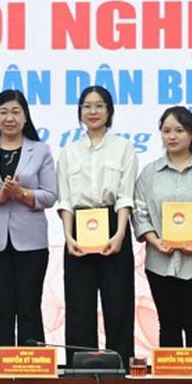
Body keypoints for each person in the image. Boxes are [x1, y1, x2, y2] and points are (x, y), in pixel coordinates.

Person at [0, 89, 58, 364]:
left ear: (25, 117)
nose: (10, 118)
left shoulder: (40, 150)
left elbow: (50, 195)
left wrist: (22, 194)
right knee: (1, 310)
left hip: (32, 243)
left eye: (16, 112)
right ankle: (0, 372)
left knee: (29, 308)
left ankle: (33, 371)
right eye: (3, 112)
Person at [132, 106, 192, 348]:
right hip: (160, 261)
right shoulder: (149, 172)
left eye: (179, 130)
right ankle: (171, 374)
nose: (172, 136)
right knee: (168, 323)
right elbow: (140, 210)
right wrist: (154, 241)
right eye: (166, 131)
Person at [55, 86, 137, 358]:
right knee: (79, 305)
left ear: (109, 111)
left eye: (99, 105)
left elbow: (125, 196)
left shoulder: (123, 148)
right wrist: (68, 237)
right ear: (80, 112)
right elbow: (66, 200)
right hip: (79, 228)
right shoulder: (69, 152)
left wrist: (120, 233)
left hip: (113, 224)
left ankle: (120, 367)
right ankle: (80, 369)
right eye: (87, 106)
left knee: (118, 302)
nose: (93, 111)